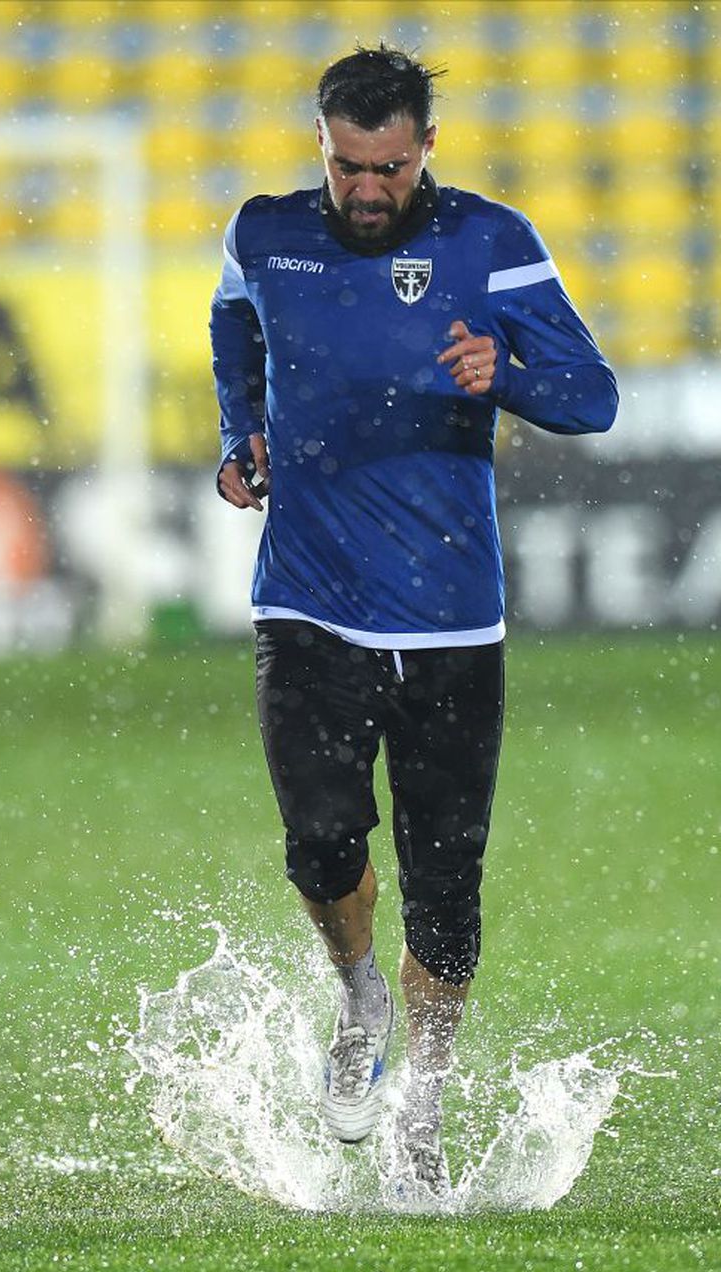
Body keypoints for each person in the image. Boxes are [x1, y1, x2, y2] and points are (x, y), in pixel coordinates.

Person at [210, 44, 617, 1201]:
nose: (369, 190)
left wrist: (507, 375)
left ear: (426, 148)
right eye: (348, 167)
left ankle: (423, 1108)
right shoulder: (265, 233)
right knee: (320, 842)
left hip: (450, 623)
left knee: (447, 885)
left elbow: (594, 395)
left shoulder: (490, 241)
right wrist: (243, 434)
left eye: (389, 167)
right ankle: (359, 1000)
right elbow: (231, 321)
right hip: (307, 606)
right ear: (323, 148)